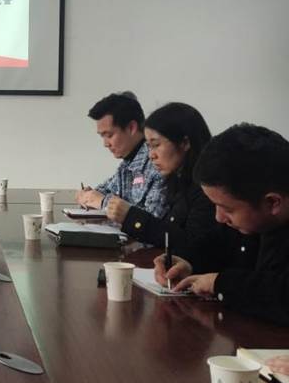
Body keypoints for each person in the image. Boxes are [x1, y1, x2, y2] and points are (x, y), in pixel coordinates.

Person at [154, 124, 289, 326]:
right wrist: (188, 262)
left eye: (227, 209)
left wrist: (220, 284)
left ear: (272, 203)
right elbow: (218, 242)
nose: (218, 217)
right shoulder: (254, 218)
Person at [105, 102, 217, 251]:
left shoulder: (208, 188)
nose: (151, 155)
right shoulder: (175, 179)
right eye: (149, 146)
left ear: (184, 143)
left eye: (156, 145)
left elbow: (193, 246)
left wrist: (131, 216)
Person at [75, 91, 167, 219]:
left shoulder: (158, 162)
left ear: (131, 128)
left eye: (109, 135)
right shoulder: (127, 164)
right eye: (102, 136)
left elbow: (153, 219)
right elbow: (103, 191)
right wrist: (87, 195)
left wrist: (103, 202)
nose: (106, 144)